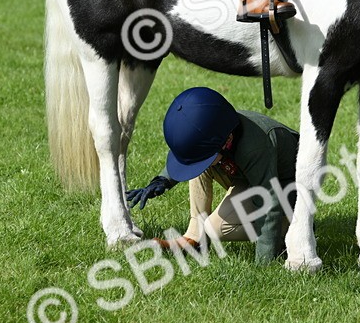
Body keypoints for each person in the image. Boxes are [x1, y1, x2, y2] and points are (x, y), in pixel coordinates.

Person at [126, 87, 299, 263]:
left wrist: (265, 261)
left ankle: (288, 229)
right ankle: (194, 239)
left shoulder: (254, 147)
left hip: (285, 189)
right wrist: (163, 180)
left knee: (215, 228)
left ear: (227, 141)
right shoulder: (218, 127)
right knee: (199, 161)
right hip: (248, 176)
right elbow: (190, 156)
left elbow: (269, 204)